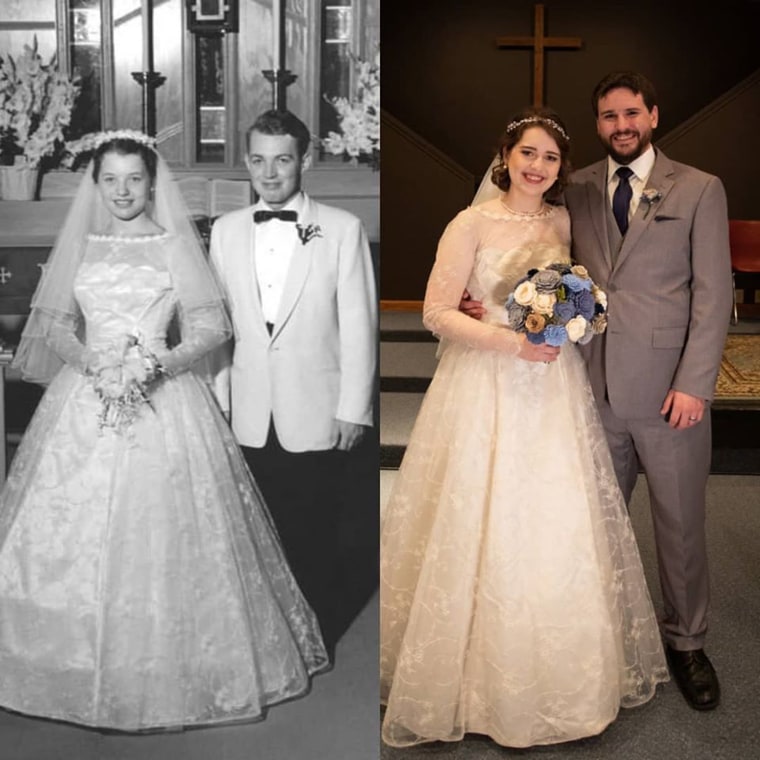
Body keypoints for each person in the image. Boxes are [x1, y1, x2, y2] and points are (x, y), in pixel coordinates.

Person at [0, 131, 329, 732]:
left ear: (153, 182)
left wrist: (154, 365)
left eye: (134, 178)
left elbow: (209, 327)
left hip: (163, 397)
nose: (123, 191)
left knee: (164, 533)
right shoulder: (83, 245)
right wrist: (96, 364)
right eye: (110, 180)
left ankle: (161, 667)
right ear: (95, 185)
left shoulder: (175, 244)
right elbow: (55, 327)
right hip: (86, 395)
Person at [380, 107, 669, 749]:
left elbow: (576, 293)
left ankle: (559, 678)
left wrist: (575, 321)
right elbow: (434, 312)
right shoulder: (469, 222)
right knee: (481, 516)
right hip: (488, 382)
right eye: (527, 154)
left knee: (551, 517)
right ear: (504, 157)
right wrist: (509, 343)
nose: (537, 167)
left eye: (550, 158)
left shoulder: (563, 220)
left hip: (553, 388)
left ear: (560, 168)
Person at [462, 72, 732, 712]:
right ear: (599, 124)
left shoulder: (699, 189)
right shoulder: (574, 187)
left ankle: (687, 642)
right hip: (587, 389)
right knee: (592, 526)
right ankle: (607, 634)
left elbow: (714, 296)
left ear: (654, 115)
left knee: (681, 527)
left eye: (631, 113)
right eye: (608, 116)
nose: (620, 125)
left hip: (672, 395)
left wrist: (696, 385)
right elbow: (535, 259)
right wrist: (487, 300)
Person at [208, 110, 378, 650]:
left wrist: (354, 407)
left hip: (318, 405)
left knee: (316, 531)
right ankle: (270, 638)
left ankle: (316, 635)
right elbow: (217, 329)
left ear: (304, 160)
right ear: (246, 163)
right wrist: (219, 403)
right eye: (258, 160)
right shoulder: (226, 231)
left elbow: (359, 324)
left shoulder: (342, 229)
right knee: (259, 532)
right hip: (250, 410)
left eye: (282, 160)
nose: (270, 173)